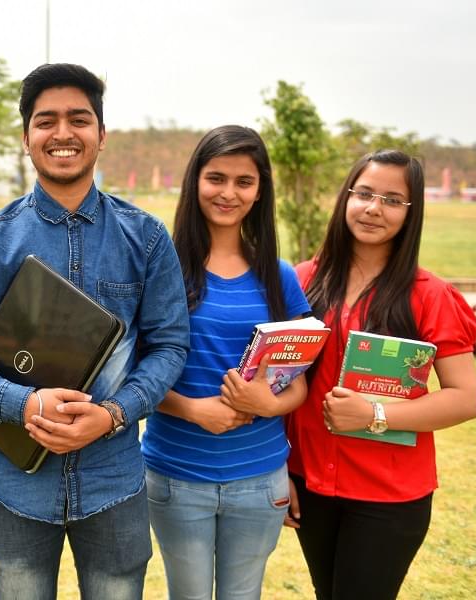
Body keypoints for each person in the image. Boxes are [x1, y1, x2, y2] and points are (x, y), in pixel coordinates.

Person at [0, 63, 190, 599]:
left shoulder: (147, 238)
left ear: (101, 135)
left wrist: (113, 414)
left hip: (115, 483)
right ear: (26, 138)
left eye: (79, 119)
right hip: (16, 487)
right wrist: (22, 403)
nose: (63, 133)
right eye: (46, 121)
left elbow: (169, 344)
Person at [286, 150, 476, 600]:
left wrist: (375, 413)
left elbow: (465, 398)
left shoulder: (430, 296)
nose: (374, 208)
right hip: (310, 482)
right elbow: (281, 381)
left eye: (393, 200)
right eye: (365, 194)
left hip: (388, 496)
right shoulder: (301, 281)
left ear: (411, 215)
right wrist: (280, 469)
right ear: (346, 198)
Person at [140, 126, 310, 600]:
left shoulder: (278, 276)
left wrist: (269, 403)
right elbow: (134, 373)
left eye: (244, 181)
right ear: (195, 181)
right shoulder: (161, 267)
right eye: (216, 178)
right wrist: (194, 410)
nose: (228, 193)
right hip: (177, 475)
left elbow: (299, 383)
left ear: (260, 191)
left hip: (260, 480)